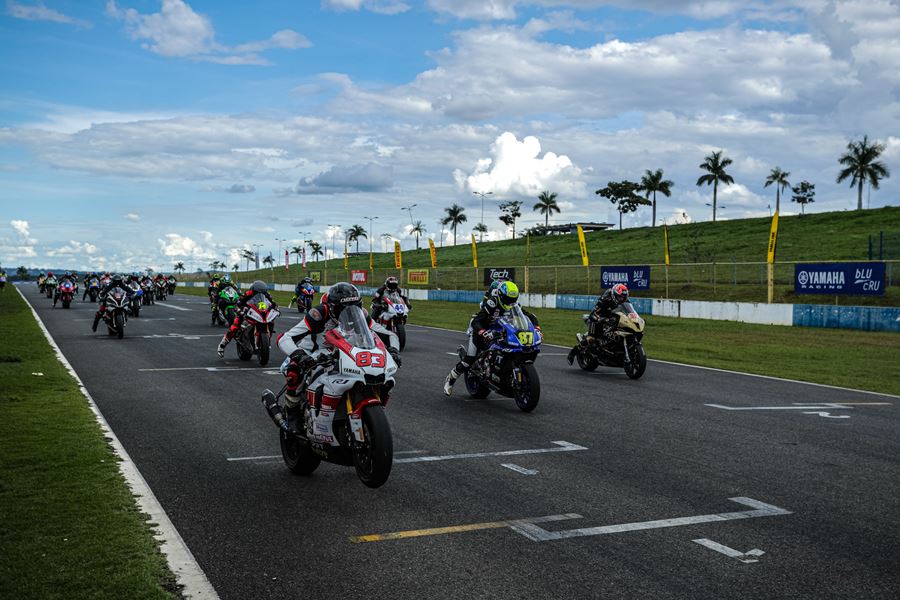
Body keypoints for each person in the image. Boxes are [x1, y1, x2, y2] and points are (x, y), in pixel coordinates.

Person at [276, 282, 400, 418]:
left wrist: (393, 351)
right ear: (331, 307)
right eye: (343, 309)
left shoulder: (361, 315)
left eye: (355, 307)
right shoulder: (318, 313)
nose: (349, 312)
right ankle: (292, 415)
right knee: (294, 372)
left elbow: (388, 335)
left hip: (345, 350)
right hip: (313, 351)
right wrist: (300, 356)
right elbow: (285, 338)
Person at [443, 281, 538, 395]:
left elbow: (530, 316)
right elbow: (477, 321)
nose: (510, 302)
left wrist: (536, 328)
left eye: (513, 299)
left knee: (516, 348)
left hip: (499, 331)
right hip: (482, 330)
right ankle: (450, 379)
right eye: (508, 299)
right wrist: (483, 332)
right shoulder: (492, 303)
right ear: (501, 296)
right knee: (469, 360)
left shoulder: (514, 305)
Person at [566, 283, 630, 364]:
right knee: (591, 339)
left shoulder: (624, 300)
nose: (621, 299)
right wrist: (600, 319)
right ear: (614, 295)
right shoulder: (605, 298)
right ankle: (572, 353)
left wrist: (634, 317)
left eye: (623, 297)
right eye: (620, 297)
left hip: (612, 317)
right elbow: (594, 313)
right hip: (599, 316)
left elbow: (630, 311)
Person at [216, 280, 278, 357]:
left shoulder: (266, 294)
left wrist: (276, 308)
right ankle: (222, 345)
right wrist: (239, 310)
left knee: (271, 322)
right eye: (258, 292)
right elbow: (238, 303)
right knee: (235, 325)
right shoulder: (248, 294)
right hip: (247, 312)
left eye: (262, 292)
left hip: (260, 312)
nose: (260, 293)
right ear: (253, 290)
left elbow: (273, 303)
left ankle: (268, 340)